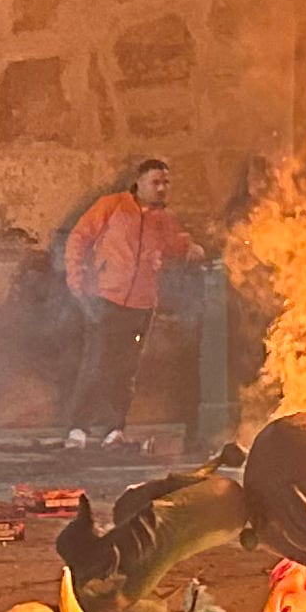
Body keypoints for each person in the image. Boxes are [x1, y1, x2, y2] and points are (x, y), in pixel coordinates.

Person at [62, 156, 202, 450]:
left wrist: (191, 247)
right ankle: (78, 427)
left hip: (141, 306)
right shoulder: (111, 206)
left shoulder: (164, 219)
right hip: (105, 299)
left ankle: (115, 428)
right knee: (96, 362)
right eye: (156, 182)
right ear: (139, 182)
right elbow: (79, 237)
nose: (162, 188)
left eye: (166, 182)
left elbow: (176, 245)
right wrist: (77, 281)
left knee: (126, 369)